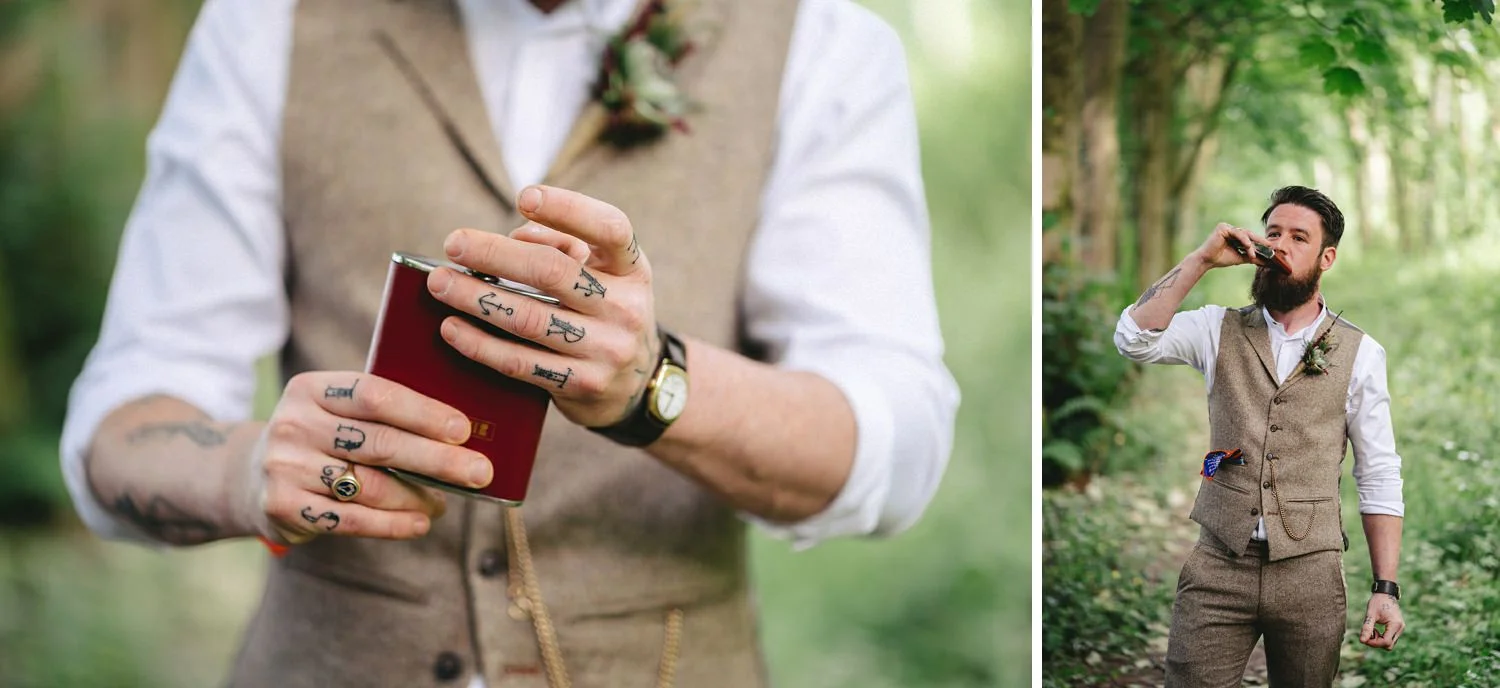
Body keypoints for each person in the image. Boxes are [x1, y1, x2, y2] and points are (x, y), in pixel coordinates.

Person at [58, 0, 960, 686]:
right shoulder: (267, 23)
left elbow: (896, 442)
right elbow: (126, 417)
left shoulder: (823, 40)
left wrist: (654, 384)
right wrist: (242, 469)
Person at [1113, 186, 1405, 686]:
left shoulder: (1361, 353)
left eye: (1298, 237)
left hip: (1311, 572)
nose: (1281, 246)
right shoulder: (1214, 328)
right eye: (1273, 233)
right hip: (1218, 564)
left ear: (1326, 257)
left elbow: (1378, 471)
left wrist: (1386, 588)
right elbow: (1133, 339)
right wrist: (1202, 260)